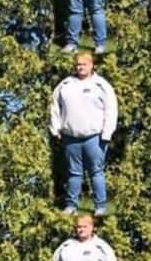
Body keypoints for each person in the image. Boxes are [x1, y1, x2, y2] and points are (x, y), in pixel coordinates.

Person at [50, 51, 118, 216]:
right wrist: (55, 129)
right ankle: (71, 206)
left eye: (84, 64)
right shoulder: (65, 85)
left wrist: (106, 134)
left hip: (95, 138)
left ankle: (100, 207)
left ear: (92, 65)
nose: (80, 67)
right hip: (70, 138)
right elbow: (55, 107)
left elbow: (111, 109)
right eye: (78, 64)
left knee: (96, 173)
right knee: (74, 173)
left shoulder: (101, 85)